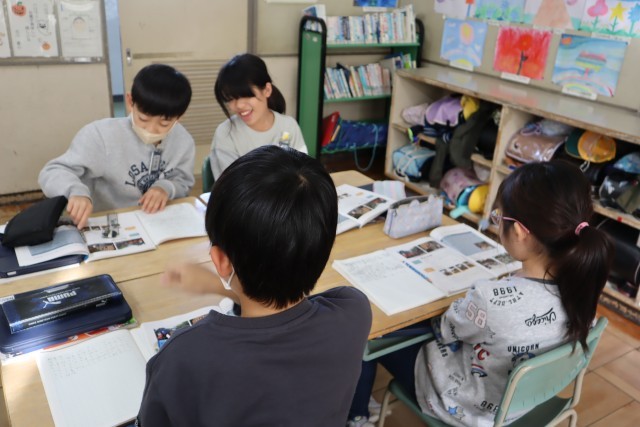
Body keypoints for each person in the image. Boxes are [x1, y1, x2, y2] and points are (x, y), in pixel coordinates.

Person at [347, 159, 613, 427]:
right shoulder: (584, 289)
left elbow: (445, 329)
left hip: (464, 407)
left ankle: (356, 416)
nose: (497, 224)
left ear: (519, 232)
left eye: (499, 218)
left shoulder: (490, 300)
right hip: (524, 403)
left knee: (361, 333)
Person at [137, 145, 372, 426]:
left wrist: (222, 283)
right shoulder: (354, 312)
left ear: (220, 260)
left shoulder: (183, 356)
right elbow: (285, 310)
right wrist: (219, 285)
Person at [38, 64, 195, 229]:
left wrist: (166, 188)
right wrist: (76, 192)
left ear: (179, 117)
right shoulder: (101, 136)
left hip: (157, 221)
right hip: (108, 222)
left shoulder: (183, 141)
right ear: (130, 101)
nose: (151, 129)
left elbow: (183, 181)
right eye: (143, 119)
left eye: (164, 123)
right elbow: (52, 171)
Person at [209, 53, 307, 180]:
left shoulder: (289, 127)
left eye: (246, 96)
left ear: (267, 90)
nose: (239, 105)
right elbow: (231, 185)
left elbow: (303, 173)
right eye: (230, 98)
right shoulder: (225, 133)